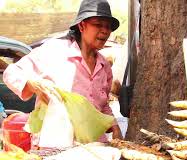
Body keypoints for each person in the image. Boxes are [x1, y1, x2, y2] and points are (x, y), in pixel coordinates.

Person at [2, 0, 123, 142]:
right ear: (82, 26)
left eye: (108, 27)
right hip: (55, 142)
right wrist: (32, 84)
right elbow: (11, 73)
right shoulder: (55, 50)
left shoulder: (104, 66)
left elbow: (102, 105)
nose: (105, 31)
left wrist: (115, 127)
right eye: (98, 25)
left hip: (93, 146)